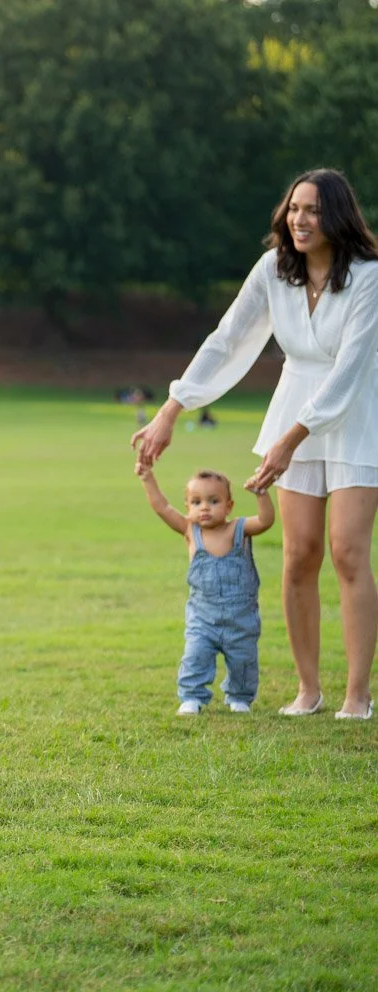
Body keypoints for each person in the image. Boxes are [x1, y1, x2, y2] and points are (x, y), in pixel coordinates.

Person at [133, 168, 378, 721]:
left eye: (313, 210)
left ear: (337, 216)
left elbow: (352, 368)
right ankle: (308, 690)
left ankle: (357, 695)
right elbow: (227, 339)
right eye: (294, 209)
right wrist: (173, 407)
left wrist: (293, 437)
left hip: (356, 413)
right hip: (293, 407)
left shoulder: (368, 276)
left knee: (347, 552)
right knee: (298, 555)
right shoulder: (274, 270)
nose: (300, 219)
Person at [137, 466, 276, 715]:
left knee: (244, 661)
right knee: (195, 657)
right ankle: (192, 697)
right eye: (196, 502)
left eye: (213, 501)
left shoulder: (239, 530)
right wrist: (148, 478)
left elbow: (266, 520)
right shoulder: (191, 532)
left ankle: (239, 696)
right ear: (187, 506)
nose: (204, 507)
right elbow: (162, 507)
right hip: (203, 620)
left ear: (229, 506)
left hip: (241, 621)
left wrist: (261, 492)